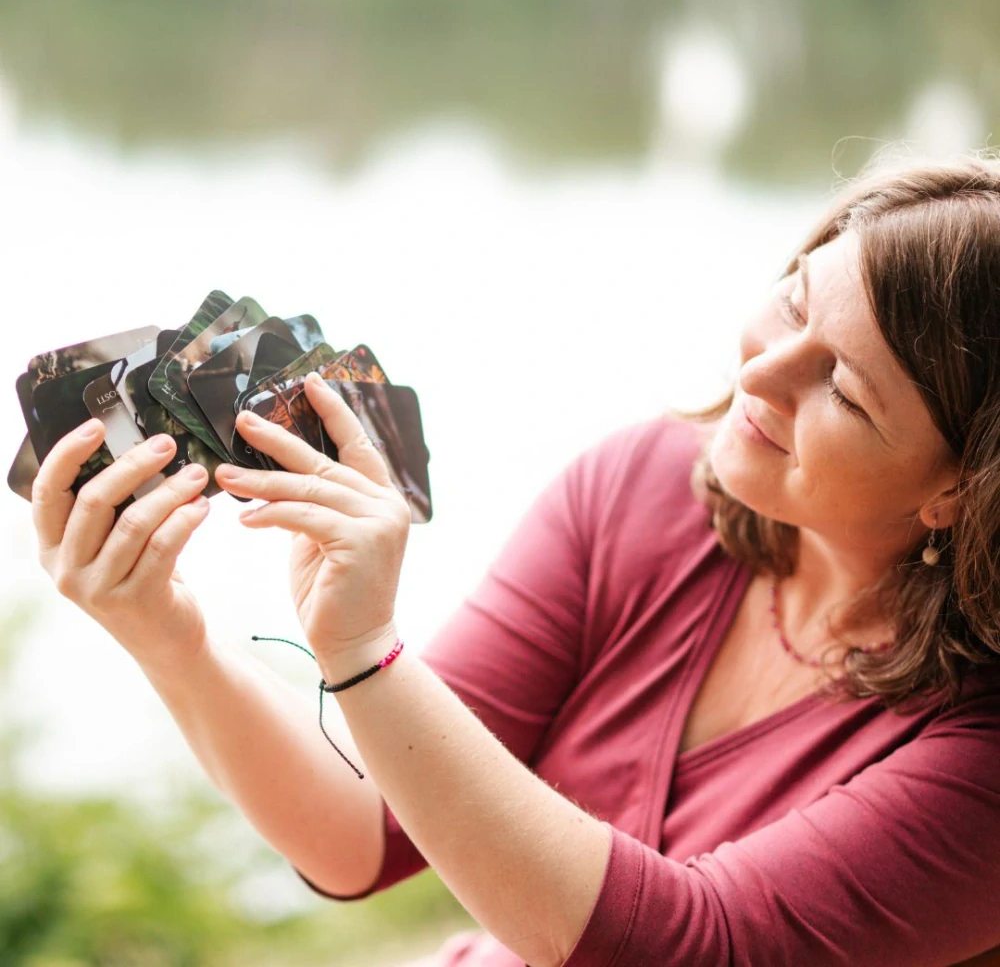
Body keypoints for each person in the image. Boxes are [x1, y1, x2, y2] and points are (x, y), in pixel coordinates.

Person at [28, 150, 1000, 967]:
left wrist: (367, 650)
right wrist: (167, 634)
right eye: (793, 304)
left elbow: (688, 948)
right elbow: (364, 832)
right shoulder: (642, 486)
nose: (757, 374)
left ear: (961, 486)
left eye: (841, 385)